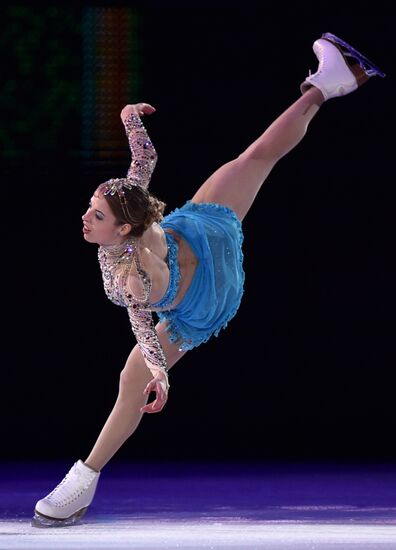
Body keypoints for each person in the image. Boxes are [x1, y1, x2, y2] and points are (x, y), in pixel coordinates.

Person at [32, 32, 385, 527]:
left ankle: (81, 483)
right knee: (253, 159)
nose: (85, 219)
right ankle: (324, 87)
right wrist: (131, 120)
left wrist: (158, 372)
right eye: (91, 210)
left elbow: (140, 321)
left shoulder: (128, 271)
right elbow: (144, 166)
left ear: (124, 227)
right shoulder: (134, 223)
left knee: (129, 380)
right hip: (205, 241)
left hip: (207, 293)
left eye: (95, 213)